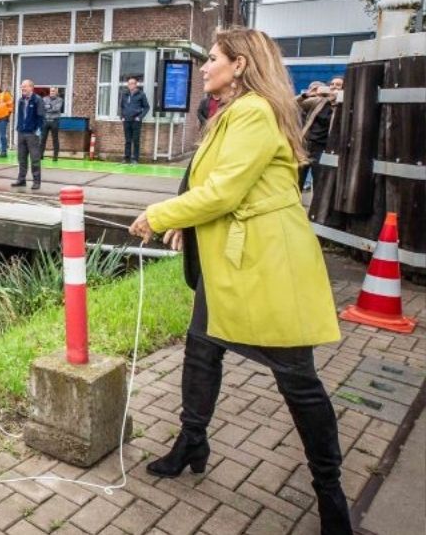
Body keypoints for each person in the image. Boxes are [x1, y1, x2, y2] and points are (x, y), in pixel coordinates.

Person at [129, 27, 352, 535]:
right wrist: (188, 218)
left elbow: (226, 191)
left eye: (212, 59)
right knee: (201, 349)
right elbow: (210, 185)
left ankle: (330, 493)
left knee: (298, 378)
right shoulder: (232, 112)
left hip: (264, 264)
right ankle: (192, 440)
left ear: (241, 65)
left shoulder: (252, 112)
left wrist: (161, 214)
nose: (204, 67)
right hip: (232, 262)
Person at [296, 81, 334, 191]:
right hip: (306, 145)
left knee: (320, 182)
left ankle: (317, 207)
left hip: (323, 148)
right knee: (298, 179)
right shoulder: (313, 103)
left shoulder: (337, 104)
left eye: (337, 85)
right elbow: (293, 103)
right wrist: (307, 94)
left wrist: (334, 97)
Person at [13, 79, 45, 189]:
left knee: (34, 158)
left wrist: (37, 131)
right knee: (21, 158)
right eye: (22, 87)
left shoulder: (37, 100)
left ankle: (36, 181)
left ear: (31, 87)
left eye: (25, 87)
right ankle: (21, 180)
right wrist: (18, 128)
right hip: (21, 132)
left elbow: (41, 116)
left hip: (32, 133)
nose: (23, 89)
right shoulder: (20, 100)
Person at [119, 77, 150, 163]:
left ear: (136, 85)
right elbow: (121, 107)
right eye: (129, 84)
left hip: (136, 121)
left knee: (136, 140)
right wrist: (122, 116)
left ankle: (135, 158)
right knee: (127, 140)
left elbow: (147, 107)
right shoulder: (124, 94)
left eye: (132, 83)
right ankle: (126, 158)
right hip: (126, 120)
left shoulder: (141, 94)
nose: (130, 85)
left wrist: (139, 117)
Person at [41, 87, 64, 161]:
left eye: (54, 91)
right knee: (42, 139)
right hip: (45, 121)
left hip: (55, 121)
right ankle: (40, 155)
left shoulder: (60, 100)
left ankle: (55, 157)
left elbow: (57, 108)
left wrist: (48, 107)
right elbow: (42, 108)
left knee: (55, 139)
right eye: (51, 91)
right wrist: (50, 107)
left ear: (56, 92)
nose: (52, 92)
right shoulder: (44, 99)